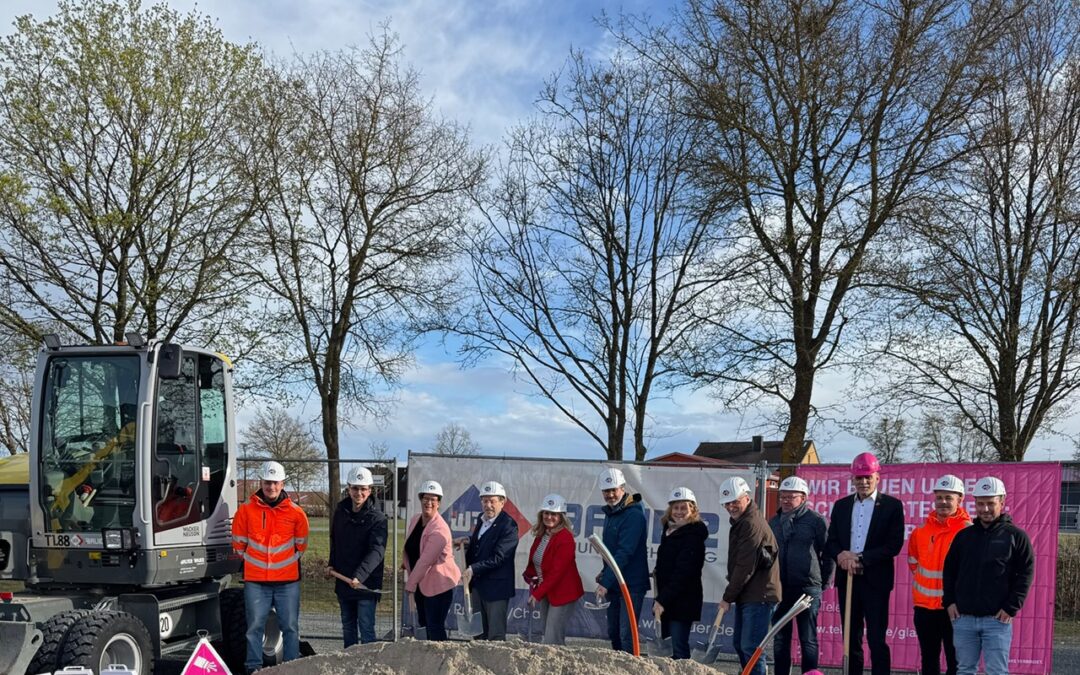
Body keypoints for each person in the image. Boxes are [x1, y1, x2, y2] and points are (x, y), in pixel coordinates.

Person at [943, 476, 1035, 675]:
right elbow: (949, 570)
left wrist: (1011, 607)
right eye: (980, 503)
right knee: (965, 669)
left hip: (997, 621)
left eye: (990, 503)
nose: (985, 509)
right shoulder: (964, 536)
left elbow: (1026, 573)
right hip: (964, 619)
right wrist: (949, 601)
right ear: (974, 503)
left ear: (1002, 502)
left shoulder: (1016, 536)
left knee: (996, 671)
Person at [824, 452, 905, 675]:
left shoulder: (892, 506)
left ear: (877, 477)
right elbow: (831, 541)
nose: (863, 482)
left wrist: (861, 559)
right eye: (859, 478)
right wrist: (840, 555)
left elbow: (893, 545)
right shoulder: (841, 506)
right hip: (847, 579)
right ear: (853, 479)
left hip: (875, 581)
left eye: (868, 477)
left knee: (877, 638)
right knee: (850, 638)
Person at [232, 461, 309, 675]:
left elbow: (301, 544)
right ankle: (253, 668)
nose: (271, 487)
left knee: (290, 628)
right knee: (254, 628)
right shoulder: (246, 510)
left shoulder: (296, 513)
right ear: (261, 482)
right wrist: (252, 559)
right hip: (256, 581)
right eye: (267, 483)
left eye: (275, 483)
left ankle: (292, 668)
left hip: (287, 582)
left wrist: (283, 564)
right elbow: (238, 542)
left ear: (282, 483)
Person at [768, 475, 833, 675]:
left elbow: (828, 554)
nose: (786, 501)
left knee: (808, 639)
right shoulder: (775, 521)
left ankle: (809, 673)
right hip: (781, 588)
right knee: (780, 639)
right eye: (783, 496)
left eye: (791, 497)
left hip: (808, 588)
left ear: (803, 498)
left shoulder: (816, 521)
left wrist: (820, 583)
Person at [907, 474, 971, 675]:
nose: (943, 502)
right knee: (929, 659)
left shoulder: (969, 531)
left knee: (956, 661)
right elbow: (913, 563)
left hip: (956, 608)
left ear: (960, 499)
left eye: (948, 498)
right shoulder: (921, 531)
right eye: (939, 497)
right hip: (925, 608)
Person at [719, 476, 781, 675]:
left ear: (746, 497)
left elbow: (744, 567)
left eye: (735, 502)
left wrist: (728, 597)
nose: (731, 507)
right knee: (740, 644)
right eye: (727, 503)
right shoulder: (742, 522)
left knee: (751, 648)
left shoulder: (750, 524)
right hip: (749, 593)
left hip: (760, 595)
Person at [328, 466, 388, 647]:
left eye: (363, 489)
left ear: (370, 490)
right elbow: (335, 540)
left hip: (365, 584)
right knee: (348, 627)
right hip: (344, 580)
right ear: (349, 488)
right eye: (355, 488)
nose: (359, 493)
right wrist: (332, 563)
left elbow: (377, 551)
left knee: (366, 628)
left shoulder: (378, 518)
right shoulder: (340, 512)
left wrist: (359, 576)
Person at [594, 467, 649, 653]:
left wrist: (606, 582)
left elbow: (625, 552)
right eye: (606, 491)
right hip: (616, 582)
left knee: (627, 633)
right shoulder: (612, 513)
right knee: (614, 632)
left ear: (623, 488)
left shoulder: (633, 514)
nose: (610, 495)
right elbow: (611, 551)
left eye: (613, 490)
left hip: (631, 584)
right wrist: (605, 573)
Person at [457, 480, 518, 641]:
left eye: (492, 501)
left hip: (496, 590)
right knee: (478, 633)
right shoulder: (482, 520)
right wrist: (470, 541)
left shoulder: (509, 526)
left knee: (495, 635)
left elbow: (499, 557)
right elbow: (484, 543)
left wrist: (473, 569)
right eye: (485, 500)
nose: (488, 505)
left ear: (502, 502)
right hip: (478, 586)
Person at [652, 487, 708, 660]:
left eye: (684, 508)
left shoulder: (693, 536)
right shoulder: (669, 531)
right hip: (667, 599)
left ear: (693, 510)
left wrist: (662, 601)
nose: (679, 512)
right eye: (676, 508)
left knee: (679, 648)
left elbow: (683, 573)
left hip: (683, 601)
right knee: (668, 651)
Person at [403, 479, 461, 641]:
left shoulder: (440, 529)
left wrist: (410, 584)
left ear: (439, 503)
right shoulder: (415, 520)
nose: (429, 502)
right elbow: (413, 546)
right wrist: (407, 563)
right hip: (421, 582)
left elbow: (425, 561)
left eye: (433, 499)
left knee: (434, 626)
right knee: (423, 623)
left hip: (438, 585)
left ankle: (443, 661)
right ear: (420, 499)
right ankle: (426, 661)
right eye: (426, 498)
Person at [523, 493, 584, 645]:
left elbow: (557, 572)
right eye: (546, 513)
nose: (549, 517)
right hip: (546, 590)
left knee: (552, 637)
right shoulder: (542, 534)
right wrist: (531, 577)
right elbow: (536, 562)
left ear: (561, 516)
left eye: (554, 514)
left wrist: (537, 594)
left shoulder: (565, 538)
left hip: (563, 592)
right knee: (547, 631)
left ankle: (559, 667)